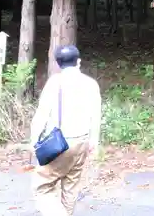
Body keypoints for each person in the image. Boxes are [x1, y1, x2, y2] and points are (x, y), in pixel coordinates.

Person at [30, 45, 102, 216]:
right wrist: (94, 141)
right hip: (82, 141)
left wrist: (33, 141)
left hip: (59, 143)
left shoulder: (55, 82)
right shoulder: (91, 83)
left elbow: (42, 114)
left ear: (58, 63)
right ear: (78, 61)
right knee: (71, 187)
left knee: (42, 186)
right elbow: (96, 115)